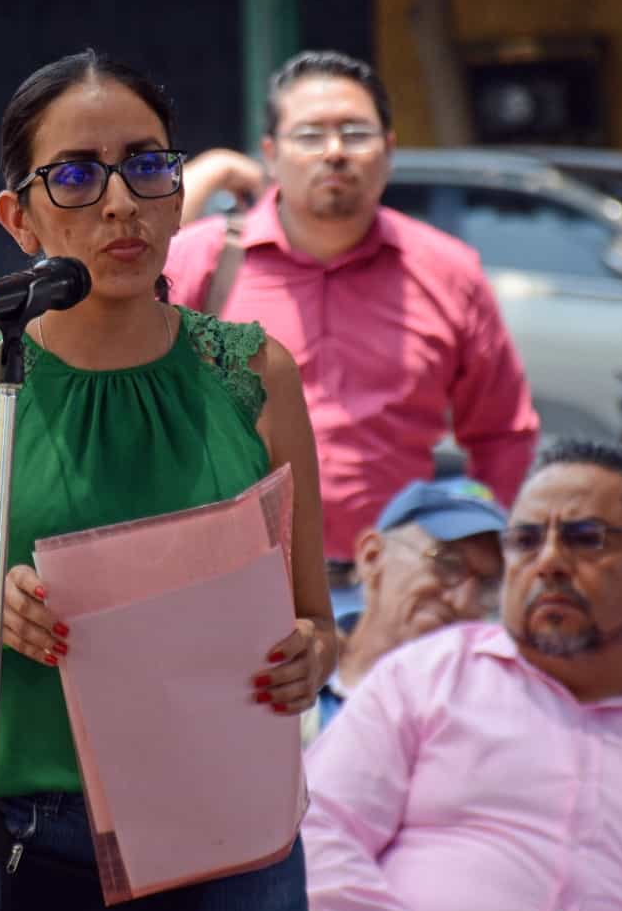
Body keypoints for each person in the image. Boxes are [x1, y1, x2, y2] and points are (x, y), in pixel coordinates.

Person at [0, 50, 337, 911]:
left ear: (178, 189)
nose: (122, 201)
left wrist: (309, 655)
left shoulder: (254, 374)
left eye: (148, 165)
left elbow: (315, 620)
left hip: (238, 836)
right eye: (77, 176)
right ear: (20, 218)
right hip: (32, 846)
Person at [302, 439, 622, 911]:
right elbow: (320, 831)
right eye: (524, 540)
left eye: (585, 539)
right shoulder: (422, 677)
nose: (548, 563)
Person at [163, 50, 538, 597]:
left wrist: (475, 548)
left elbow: (504, 433)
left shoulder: (447, 271)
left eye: (356, 133)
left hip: (396, 592)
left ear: (388, 151)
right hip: (229, 588)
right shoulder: (203, 262)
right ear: (271, 154)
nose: (335, 152)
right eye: (310, 135)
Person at [308, 475, 505, 740]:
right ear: (372, 557)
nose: (462, 601)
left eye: (487, 586)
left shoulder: (476, 726)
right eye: (448, 563)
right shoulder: (295, 662)